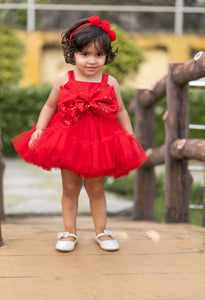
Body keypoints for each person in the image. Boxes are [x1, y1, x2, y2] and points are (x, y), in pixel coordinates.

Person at [12, 15, 148, 252]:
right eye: (84, 54)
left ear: (107, 55)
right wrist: (40, 129)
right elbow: (49, 106)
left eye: (99, 54)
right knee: (70, 188)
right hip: (69, 141)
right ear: (72, 54)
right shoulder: (65, 78)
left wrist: (129, 135)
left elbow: (121, 111)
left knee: (96, 189)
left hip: (99, 144)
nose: (92, 61)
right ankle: (69, 232)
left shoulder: (110, 81)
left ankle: (102, 232)